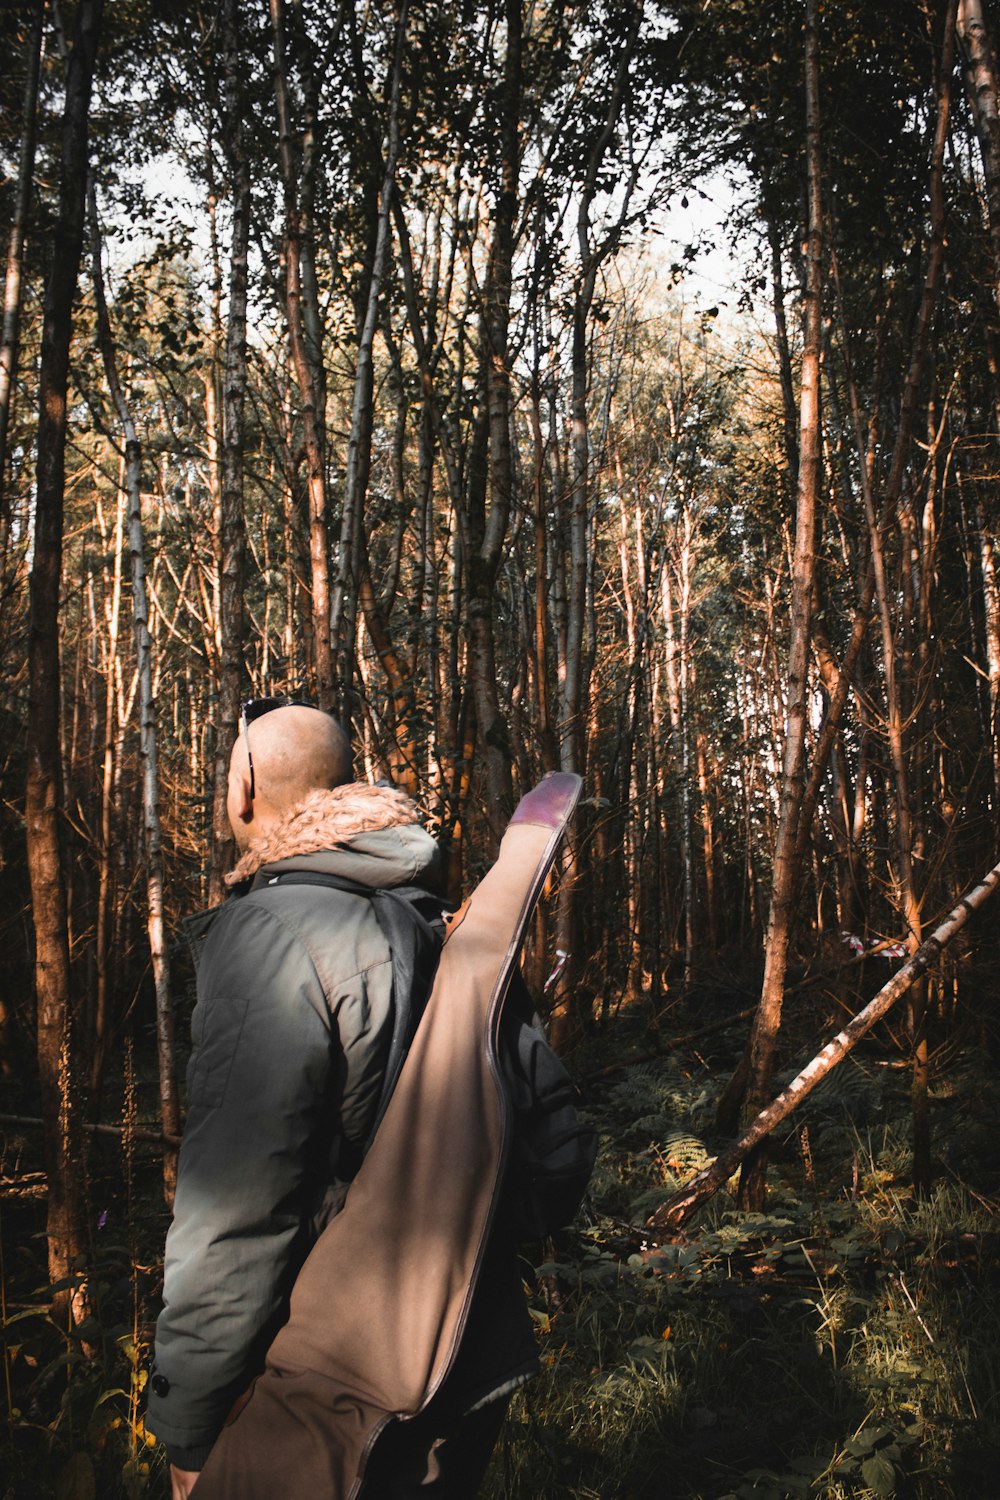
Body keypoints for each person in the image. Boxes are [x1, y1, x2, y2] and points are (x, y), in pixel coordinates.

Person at [145, 702, 537, 1499]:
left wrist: (189, 1426)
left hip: (330, 1385)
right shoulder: (440, 917)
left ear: (245, 787)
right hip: (468, 1348)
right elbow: (553, 1145)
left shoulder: (271, 937)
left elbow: (237, 1208)